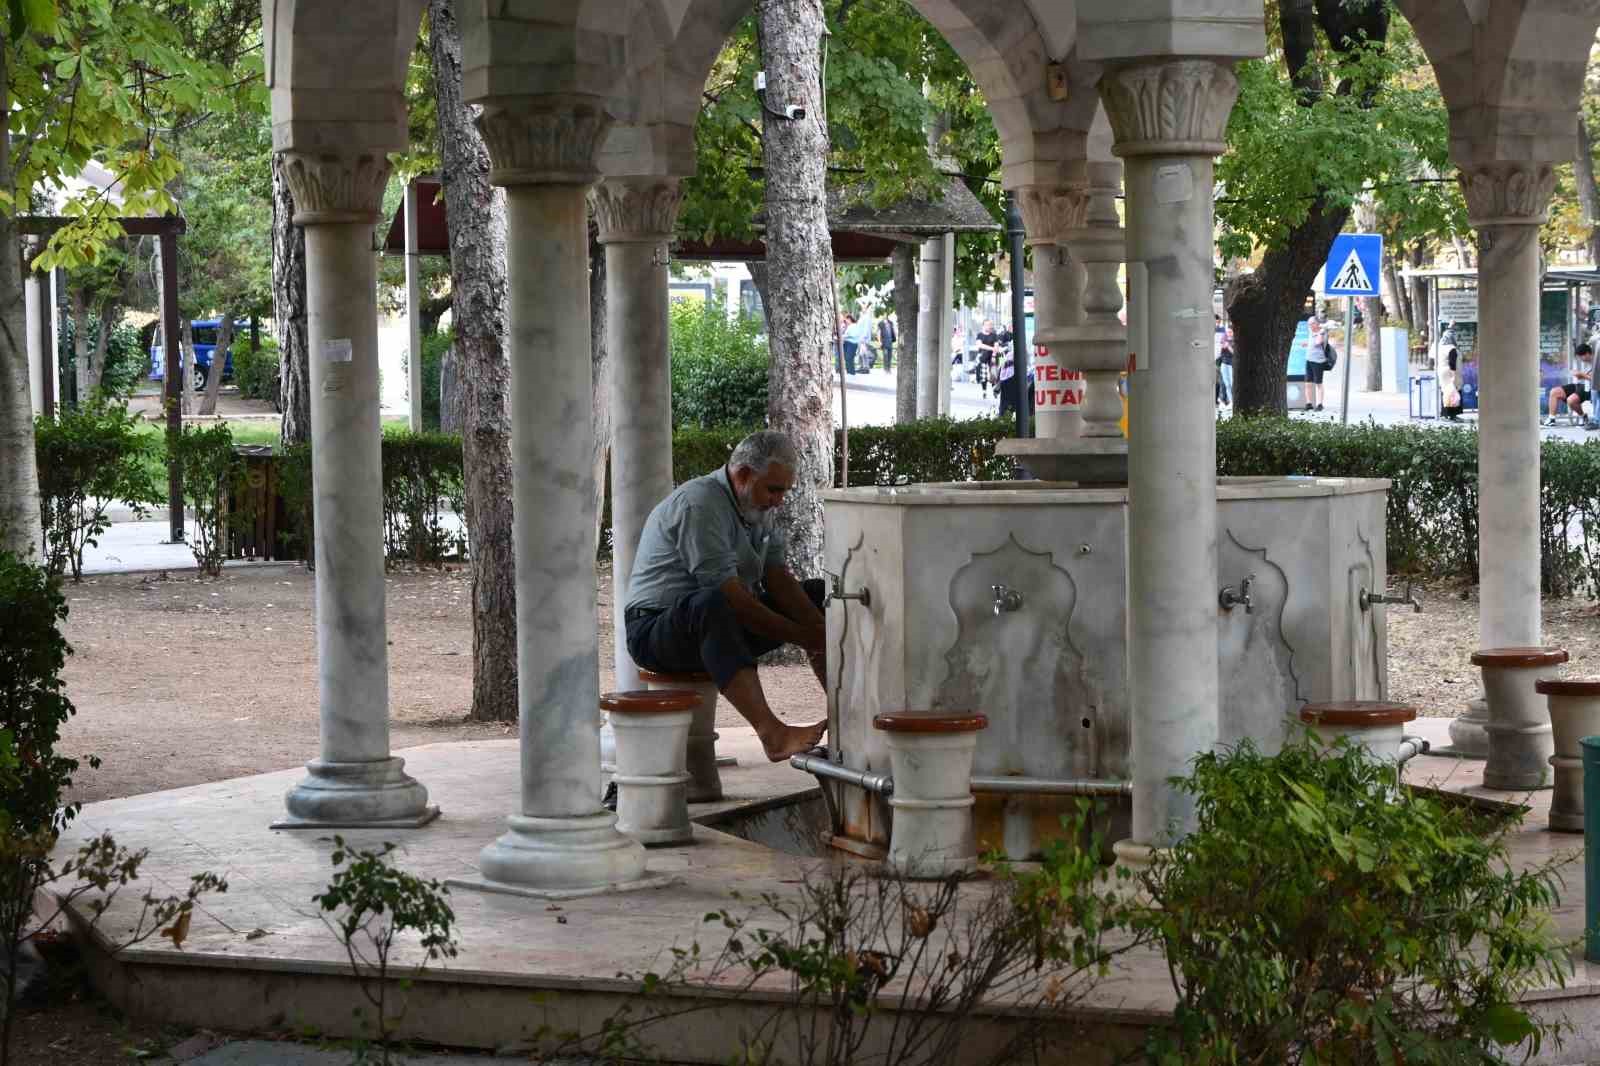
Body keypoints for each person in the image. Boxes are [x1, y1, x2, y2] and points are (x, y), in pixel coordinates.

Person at [624, 430, 828, 763]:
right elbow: (732, 599)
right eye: (774, 490)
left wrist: (820, 628)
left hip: (718, 625)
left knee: (820, 595)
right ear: (744, 474)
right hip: (653, 631)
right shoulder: (699, 504)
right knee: (713, 603)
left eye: (783, 491)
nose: (779, 500)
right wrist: (806, 636)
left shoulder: (756, 505)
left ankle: (849, 718)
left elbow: (777, 578)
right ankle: (772, 734)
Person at [1546, 342, 1595, 426]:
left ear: (1587, 353)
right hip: (1581, 384)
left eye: (1581, 356)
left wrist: (1582, 375)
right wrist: (1579, 375)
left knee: (1571, 400)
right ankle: (1551, 418)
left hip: (1591, 388)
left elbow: (1596, 380)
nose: (1581, 359)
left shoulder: (1597, 361)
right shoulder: (1586, 362)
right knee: (1554, 391)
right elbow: (1587, 376)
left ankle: (1583, 417)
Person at [1304, 307, 1328, 412]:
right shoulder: (1311, 331)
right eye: (1309, 324)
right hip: (1309, 359)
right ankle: (1309, 403)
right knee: (1308, 383)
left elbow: (1318, 342)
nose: (1310, 326)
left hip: (1318, 361)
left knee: (1318, 383)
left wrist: (1319, 332)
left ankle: (1320, 404)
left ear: (1317, 324)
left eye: (1311, 324)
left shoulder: (1322, 332)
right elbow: (1312, 343)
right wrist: (1306, 344)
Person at [974, 318, 1001, 396]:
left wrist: (994, 355)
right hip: (983, 357)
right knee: (983, 375)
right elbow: (980, 345)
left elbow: (996, 346)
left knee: (993, 374)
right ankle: (984, 391)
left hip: (992, 356)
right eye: (987, 325)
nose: (989, 326)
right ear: (983, 326)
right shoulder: (980, 335)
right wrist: (992, 348)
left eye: (990, 325)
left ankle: (994, 390)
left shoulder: (994, 335)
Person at [1216, 323, 1234, 408]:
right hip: (1224, 363)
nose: (1228, 334)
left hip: (1231, 364)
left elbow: (1234, 353)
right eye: (1227, 332)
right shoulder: (1224, 339)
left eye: (1230, 332)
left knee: (1231, 383)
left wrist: (1228, 346)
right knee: (1227, 384)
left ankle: (1233, 401)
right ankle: (1230, 401)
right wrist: (1222, 346)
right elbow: (1220, 353)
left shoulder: (1234, 341)